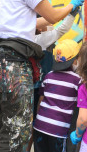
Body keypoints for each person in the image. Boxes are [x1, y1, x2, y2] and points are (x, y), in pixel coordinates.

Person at [0, 0, 86, 151]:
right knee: (19, 131)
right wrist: (71, 5)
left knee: (4, 126)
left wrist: (68, 13)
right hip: (14, 65)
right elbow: (52, 17)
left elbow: (40, 22)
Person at [26, 9, 80, 152]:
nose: (48, 28)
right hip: (38, 87)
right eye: (45, 24)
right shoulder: (41, 39)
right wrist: (71, 14)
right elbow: (60, 30)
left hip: (28, 87)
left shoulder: (24, 37)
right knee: (32, 122)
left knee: (31, 124)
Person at [33, 39, 81, 152]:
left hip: (40, 126)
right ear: (74, 61)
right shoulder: (77, 81)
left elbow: (41, 100)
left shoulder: (48, 76)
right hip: (58, 131)